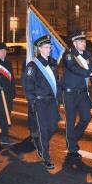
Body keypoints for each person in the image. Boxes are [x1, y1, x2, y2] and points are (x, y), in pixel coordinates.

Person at [23, 35, 60, 169]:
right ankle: (45, 156)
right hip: (40, 102)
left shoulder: (53, 63)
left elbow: (56, 82)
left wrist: (59, 99)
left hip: (51, 102)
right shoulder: (33, 65)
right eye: (46, 47)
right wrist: (32, 101)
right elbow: (27, 85)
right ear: (39, 49)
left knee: (53, 127)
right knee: (44, 130)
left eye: (49, 47)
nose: (49, 49)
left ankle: (39, 140)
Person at [60, 29, 92, 159]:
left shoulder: (88, 54)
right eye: (81, 41)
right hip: (69, 93)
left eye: (84, 41)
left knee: (86, 117)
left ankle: (73, 138)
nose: (84, 43)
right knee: (70, 120)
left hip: (82, 93)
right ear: (74, 43)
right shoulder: (69, 55)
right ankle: (71, 148)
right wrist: (89, 72)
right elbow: (73, 68)